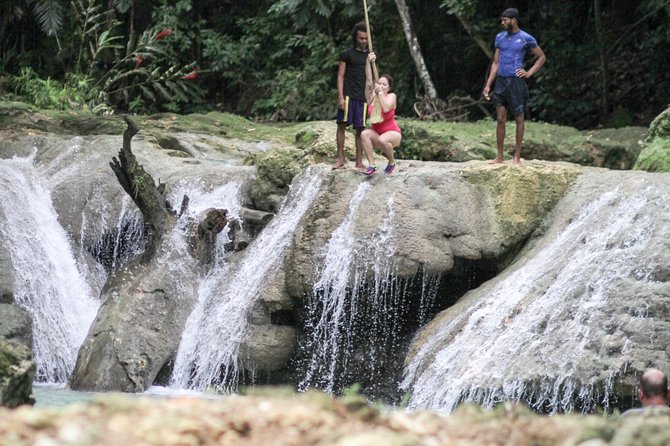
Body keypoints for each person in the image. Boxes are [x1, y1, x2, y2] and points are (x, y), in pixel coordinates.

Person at [482, 7, 546, 164]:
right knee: (500, 118)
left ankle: (517, 156)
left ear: (514, 20)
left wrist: (529, 73)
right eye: (502, 20)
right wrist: (488, 84)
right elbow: (496, 63)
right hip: (501, 81)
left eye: (505, 20)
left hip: (516, 81)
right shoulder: (500, 37)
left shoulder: (525, 38)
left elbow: (541, 57)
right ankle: (499, 156)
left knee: (519, 118)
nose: (503, 22)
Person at [334, 21, 370, 170]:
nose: (363, 41)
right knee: (341, 125)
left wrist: (374, 98)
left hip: (363, 97)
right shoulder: (347, 54)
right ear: (356, 37)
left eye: (366, 38)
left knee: (360, 129)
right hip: (348, 95)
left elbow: (374, 78)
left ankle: (359, 161)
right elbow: (340, 76)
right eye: (361, 38)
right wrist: (341, 97)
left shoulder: (371, 56)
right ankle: (341, 159)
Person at [361, 52, 401, 175]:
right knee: (364, 134)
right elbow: (368, 80)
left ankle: (391, 161)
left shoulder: (391, 96)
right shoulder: (371, 97)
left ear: (389, 88)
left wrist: (380, 93)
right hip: (376, 134)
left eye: (385, 85)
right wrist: (368, 62)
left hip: (392, 134)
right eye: (380, 84)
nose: (382, 86)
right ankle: (372, 164)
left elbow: (386, 108)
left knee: (384, 139)